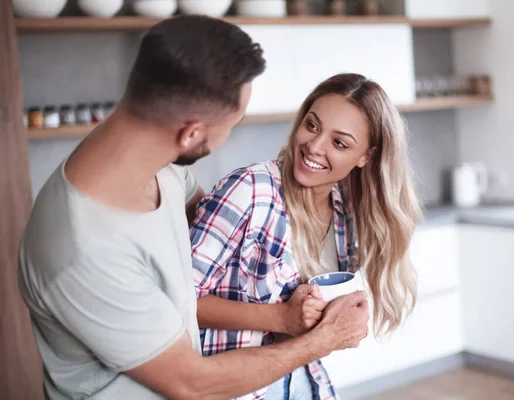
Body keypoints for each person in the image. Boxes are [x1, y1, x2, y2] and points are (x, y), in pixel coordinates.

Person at [17, 16, 369, 400]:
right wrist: (322, 339)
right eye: (233, 123)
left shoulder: (156, 163)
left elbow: (216, 224)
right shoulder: (81, 250)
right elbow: (192, 384)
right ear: (191, 133)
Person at [190, 73, 422, 399]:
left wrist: (337, 316)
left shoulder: (344, 211)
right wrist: (281, 318)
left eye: (339, 143)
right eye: (312, 126)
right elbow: (180, 300)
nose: (313, 146)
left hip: (302, 379)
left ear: (365, 157)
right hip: (236, 388)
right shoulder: (251, 190)